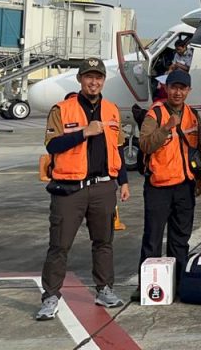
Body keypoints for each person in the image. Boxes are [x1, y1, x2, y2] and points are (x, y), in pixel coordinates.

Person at [35, 57, 130, 321]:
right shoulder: (61, 109)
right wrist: (83, 133)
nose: (94, 81)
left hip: (103, 187)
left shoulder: (112, 110)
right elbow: (51, 146)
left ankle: (104, 289)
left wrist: (122, 181)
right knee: (59, 245)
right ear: (80, 80)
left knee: (104, 242)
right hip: (70, 189)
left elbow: (118, 148)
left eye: (98, 77)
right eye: (89, 77)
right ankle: (51, 296)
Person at [131, 70, 201, 302]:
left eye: (182, 88)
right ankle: (146, 285)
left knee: (180, 239)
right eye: (174, 87)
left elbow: (198, 149)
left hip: (184, 185)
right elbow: (144, 145)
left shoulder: (193, 115)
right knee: (153, 238)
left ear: (188, 91)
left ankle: (179, 284)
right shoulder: (155, 114)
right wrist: (165, 128)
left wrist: (199, 178)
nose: (178, 92)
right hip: (159, 186)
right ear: (167, 88)